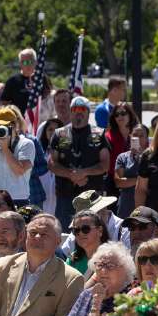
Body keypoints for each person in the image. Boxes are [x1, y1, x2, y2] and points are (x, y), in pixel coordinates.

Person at [49, 96, 110, 226]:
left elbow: (105, 165)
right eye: (75, 109)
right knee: (64, 235)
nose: (78, 112)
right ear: (70, 111)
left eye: (82, 109)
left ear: (88, 112)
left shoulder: (99, 134)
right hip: (66, 196)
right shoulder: (60, 134)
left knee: (92, 234)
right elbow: (52, 163)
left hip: (92, 197)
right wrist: (71, 175)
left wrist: (84, 172)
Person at [0, 106, 36, 206]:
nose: (0, 129)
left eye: (4, 126)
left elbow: (20, 170)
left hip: (17, 199)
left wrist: (5, 148)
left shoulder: (26, 143)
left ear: (14, 126)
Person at [113, 123, 147, 218]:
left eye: (142, 136)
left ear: (146, 138)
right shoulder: (122, 157)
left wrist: (141, 158)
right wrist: (142, 181)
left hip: (145, 206)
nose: (138, 138)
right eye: (135, 135)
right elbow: (119, 182)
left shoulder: (151, 157)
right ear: (130, 136)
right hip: (125, 206)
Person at [65, 209, 109, 275]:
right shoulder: (72, 260)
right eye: (76, 230)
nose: (80, 233)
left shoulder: (112, 258)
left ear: (100, 231)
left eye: (85, 229)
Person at [0, 48, 38, 114]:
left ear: (36, 62)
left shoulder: (41, 79)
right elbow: (4, 103)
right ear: (20, 63)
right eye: (24, 62)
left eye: (30, 62)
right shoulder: (12, 81)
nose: (27, 65)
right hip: (19, 120)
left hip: (38, 119)